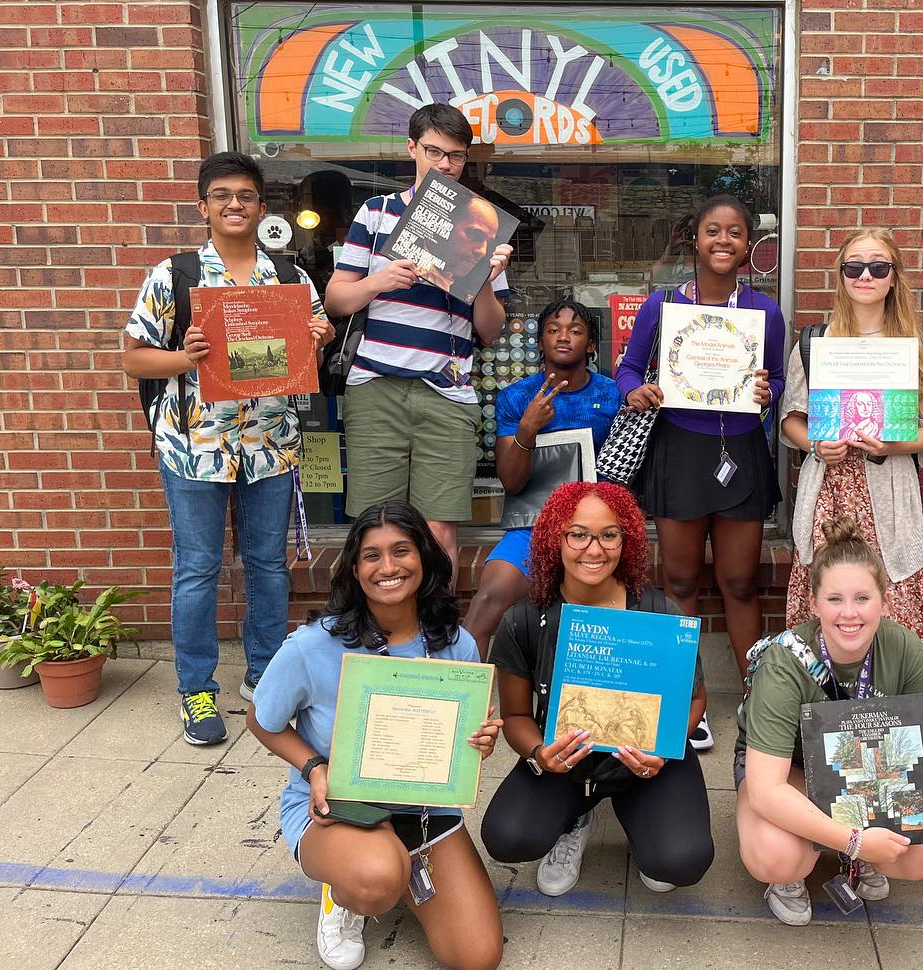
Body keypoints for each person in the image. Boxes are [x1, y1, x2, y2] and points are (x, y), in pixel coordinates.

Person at [123, 151, 333, 744]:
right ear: (203, 206)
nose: (234, 204)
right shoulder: (177, 274)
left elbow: (313, 343)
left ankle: (265, 673)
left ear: (262, 207)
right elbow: (133, 356)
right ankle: (195, 690)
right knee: (197, 569)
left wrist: (319, 335)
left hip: (270, 444)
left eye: (245, 195)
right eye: (222, 195)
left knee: (268, 564)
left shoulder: (290, 279)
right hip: (196, 446)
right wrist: (183, 358)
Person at [246, 501, 504, 970]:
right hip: (339, 808)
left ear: (424, 558)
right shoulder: (313, 644)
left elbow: (459, 747)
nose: (388, 567)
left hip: (425, 810)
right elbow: (260, 720)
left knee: (477, 956)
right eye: (372, 555)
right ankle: (343, 891)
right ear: (354, 568)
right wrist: (313, 766)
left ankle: (399, 868)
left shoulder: (456, 643)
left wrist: (480, 742)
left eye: (401, 551)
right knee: (377, 877)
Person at [480, 482, 714, 898]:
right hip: (565, 763)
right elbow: (516, 715)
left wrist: (663, 748)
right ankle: (577, 816)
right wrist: (539, 754)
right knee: (507, 837)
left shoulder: (659, 614)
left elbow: (695, 699)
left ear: (627, 539)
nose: (595, 549)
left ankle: (641, 816)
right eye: (579, 534)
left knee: (680, 861)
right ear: (557, 538)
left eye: (609, 534)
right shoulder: (525, 620)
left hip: (646, 762)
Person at [616, 194, 786, 749]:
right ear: (695, 238)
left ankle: (761, 700)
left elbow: (779, 381)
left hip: (739, 449)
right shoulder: (662, 305)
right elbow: (625, 370)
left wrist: (768, 391)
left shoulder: (765, 311)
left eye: (734, 233)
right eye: (713, 231)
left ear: (747, 245)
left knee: (740, 582)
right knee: (681, 581)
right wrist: (635, 391)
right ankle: (688, 703)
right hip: (680, 449)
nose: (723, 241)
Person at [324, 103, 513, 589]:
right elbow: (337, 299)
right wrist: (379, 280)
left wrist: (486, 281)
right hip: (376, 386)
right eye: (434, 152)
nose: (445, 165)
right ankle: (376, 647)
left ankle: (438, 647)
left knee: (439, 529)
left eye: (455, 157)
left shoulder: (481, 224)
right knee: (376, 528)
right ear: (412, 149)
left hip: (447, 391)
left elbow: (491, 331)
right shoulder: (377, 212)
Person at [736, 517, 923, 926]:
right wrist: (855, 840)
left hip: (870, 771)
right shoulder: (785, 662)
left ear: (884, 601)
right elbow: (766, 789)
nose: (848, 614)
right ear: (814, 603)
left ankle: (858, 851)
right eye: (834, 599)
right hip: (789, 770)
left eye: (862, 598)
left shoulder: (903, 646)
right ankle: (799, 873)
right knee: (778, 856)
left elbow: (911, 758)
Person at [780, 227, 923, 645]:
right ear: (841, 275)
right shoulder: (816, 341)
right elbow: (790, 419)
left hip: (888, 493)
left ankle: (893, 705)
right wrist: (815, 445)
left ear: (894, 276)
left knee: (892, 604)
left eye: (878, 266)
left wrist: (895, 444)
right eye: (854, 266)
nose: (865, 275)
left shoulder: (916, 345)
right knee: (832, 598)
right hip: (829, 494)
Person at [463, 297, 622, 653]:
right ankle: (464, 705)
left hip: (594, 524)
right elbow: (512, 481)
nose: (563, 337)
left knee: (620, 607)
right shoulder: (517, 397)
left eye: (575, 330)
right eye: (553, 330)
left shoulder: (611, 394)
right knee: (489, 598)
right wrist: (527, 430)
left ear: (591, 344)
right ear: (540, 342)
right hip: (532, 524)